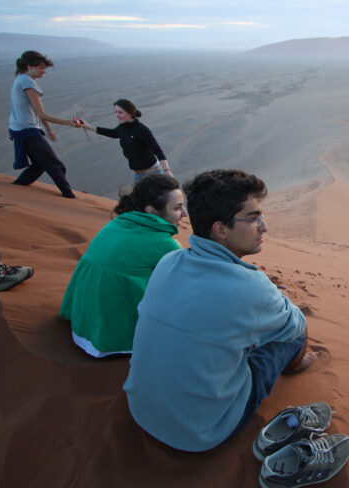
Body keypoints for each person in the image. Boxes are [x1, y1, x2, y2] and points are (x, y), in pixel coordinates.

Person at [123, 169, 315, 452]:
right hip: (201, 431)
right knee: (295, 332)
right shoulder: (252, 288)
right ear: (221, 229)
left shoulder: (168, 261)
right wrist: (273, 298)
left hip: (140, 411)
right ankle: (296, 365)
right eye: (253, 218)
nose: (264, 227)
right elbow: (294, 324)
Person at [59, 174, 187, 358]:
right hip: (111, 340)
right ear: (151, 211)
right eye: (177, 208)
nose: (184, 213)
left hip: (83, 324)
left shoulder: (119, 223)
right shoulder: (163, 243)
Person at [9, 50, 81, 198]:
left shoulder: (21, 78)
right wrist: (70, 123)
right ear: (30, 66)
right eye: (41, 68)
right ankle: (69, 197)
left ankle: (17, 187)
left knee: (39, 164)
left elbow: (36, 112)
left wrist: (48, 129)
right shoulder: (27, 82)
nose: (44, 72)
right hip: (27, 130)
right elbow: (41, 114)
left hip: (22, 129)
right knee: (55, 165)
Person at [77, 99, 174, 182]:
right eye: (116, 112)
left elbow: (157, 150)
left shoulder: (142, 130)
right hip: (138, 174)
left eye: (120, 112)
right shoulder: (122, 128)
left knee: (156, 200)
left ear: (130, 113)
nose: (117, 115)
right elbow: (113, 133)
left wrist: (167, 170)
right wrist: (89, 127)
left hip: (153, 173)